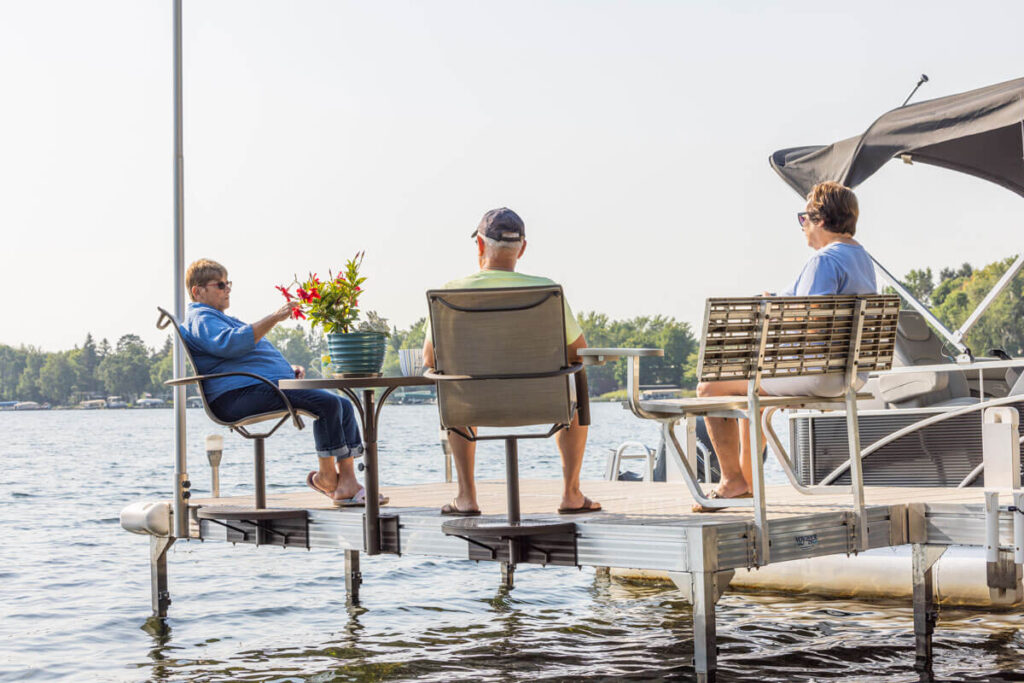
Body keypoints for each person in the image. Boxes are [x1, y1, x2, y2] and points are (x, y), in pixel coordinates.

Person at [695, 181, 877, 511]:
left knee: (709, 386)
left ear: (820, 219)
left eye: (803, 218)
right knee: (755, 397)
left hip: (818, 373)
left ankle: (731, 481)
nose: (802, 227)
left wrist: (771, 315)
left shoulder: (823, 262)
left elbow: (813, 321)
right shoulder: (862, 259)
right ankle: (745, 486)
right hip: (851, 374)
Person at [421, 208, 600, 516]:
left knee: (454, 387)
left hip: (472, 407)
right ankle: (571, 493)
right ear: (523, 248)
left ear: (479, 245)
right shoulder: (545, 291)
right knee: (574, 389)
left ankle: (466, 496)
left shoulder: (449, 294)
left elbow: (430, 359)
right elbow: (578, 353)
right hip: (540, 404)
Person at [180, 258, 380, 506]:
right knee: (327, 404)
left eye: (228, 283)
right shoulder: (201, 318)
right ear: (197, 291)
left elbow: (240, 353)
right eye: (220, 285)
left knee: (343, 404)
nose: (227, 289)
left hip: (255, 386)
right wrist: (274, 318)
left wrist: (285, 369)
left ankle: (347, 482)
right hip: (234, 396)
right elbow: (231, 344)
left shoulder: (214, 318)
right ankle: (328, 479)